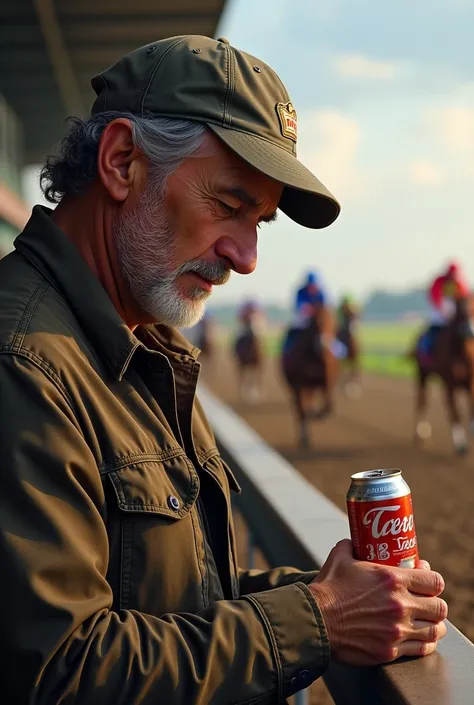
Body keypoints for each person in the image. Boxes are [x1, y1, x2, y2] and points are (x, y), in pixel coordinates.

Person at [0, 35, 446, 704]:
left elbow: (172, 601)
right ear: (123, 162)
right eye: (231, 204)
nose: (247, 257)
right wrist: (320, 619)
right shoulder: (24, 363)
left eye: (261, 220)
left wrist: (327, 594)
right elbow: (59, 673)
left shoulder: (142, 343)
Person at [420, 261, 470, 359]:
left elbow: (465, 298)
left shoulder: (460, 283)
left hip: (455, 312)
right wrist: (442, 310)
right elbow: (434, 296)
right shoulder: (439, 281)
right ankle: (426, 353)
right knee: (432, 331)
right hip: (439, 311)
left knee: (468, 330)